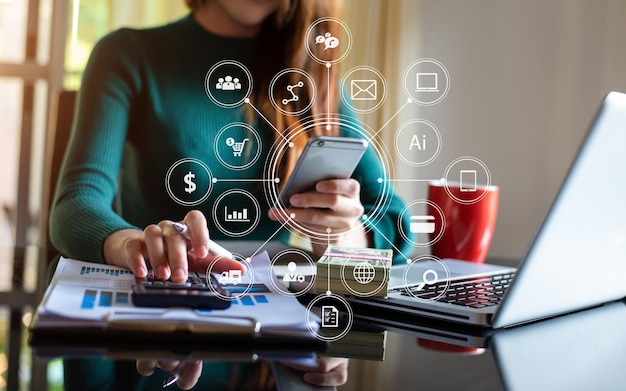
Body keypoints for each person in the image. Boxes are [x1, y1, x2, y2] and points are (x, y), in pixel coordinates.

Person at [50, 0, 410, 388]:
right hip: (156, 332)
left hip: (277, 343)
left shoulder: (309, 73)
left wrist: (341, 235)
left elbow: (398, 227)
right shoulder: (128, 54)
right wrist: (134, 245)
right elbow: (76, 202)